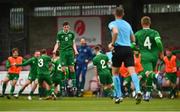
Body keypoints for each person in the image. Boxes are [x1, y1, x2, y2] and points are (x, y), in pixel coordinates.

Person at [108, 6, 142, 104]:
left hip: (118, 49)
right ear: (123, 14)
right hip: (128, 49)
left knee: (115, 73)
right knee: (132, 71)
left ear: (114, 13)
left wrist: (112, 43)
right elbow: (133, 39)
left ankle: (119, 96)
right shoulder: (127, 24)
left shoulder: (112, 23)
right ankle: (138, 90)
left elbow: (115, 32)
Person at [135, 16, 164, 101]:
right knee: (149, 73)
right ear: (150, 23)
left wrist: (137, 50)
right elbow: (158, 42)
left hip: (145, 56)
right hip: (154, 56)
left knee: (148, 73)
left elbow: (132, 45)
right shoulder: (155, 32)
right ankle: (147, 94)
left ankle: (150, 76)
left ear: (141, 23)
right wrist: (161, 52)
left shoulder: (137, 33)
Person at [53, 22, 78, 93]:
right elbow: (57, 43)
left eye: (67, 27)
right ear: (63, 27)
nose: (66, 28)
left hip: (70, 52)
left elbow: (73, 43)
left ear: (69, 27)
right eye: (65, 27)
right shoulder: (60, 34)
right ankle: (63, 86)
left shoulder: (72, 34)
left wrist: (75, 51)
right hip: (63, 52)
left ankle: (74, 86)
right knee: (63, 69)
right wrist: (55, 50)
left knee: (72, 69)